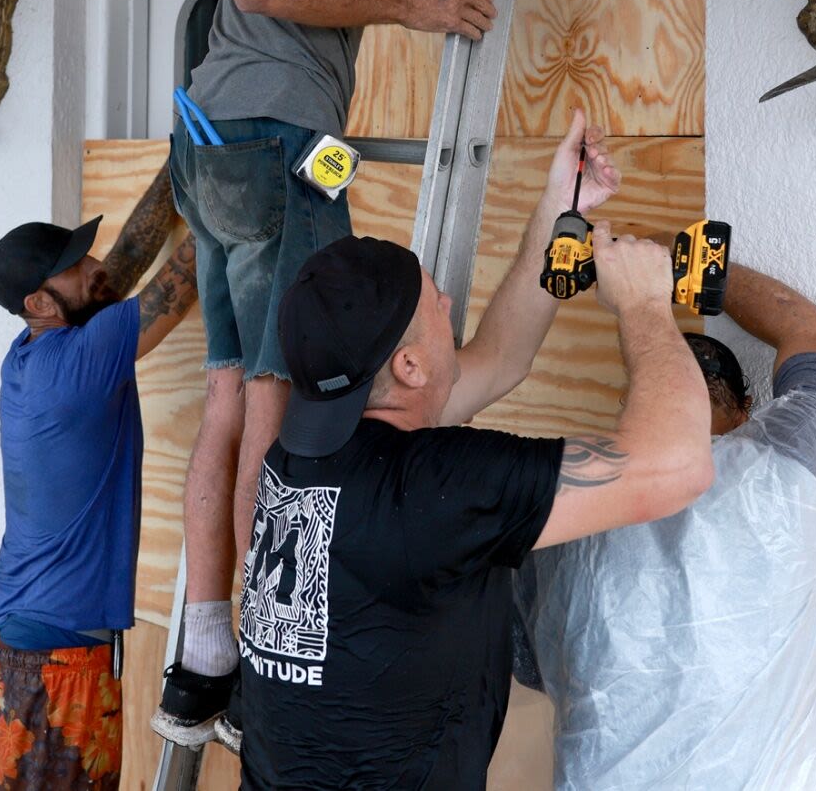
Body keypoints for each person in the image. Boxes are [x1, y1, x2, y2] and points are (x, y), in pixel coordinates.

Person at [158, 0, 664, 741]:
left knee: (237, 388)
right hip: (279, 136)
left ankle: (200, 652)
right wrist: (406, 2)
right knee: (283, 401)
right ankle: (252, 655)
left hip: (225, 139)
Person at [230, 110, 716, 789]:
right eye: (436, 301)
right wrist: (643, 305)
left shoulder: (307, 450)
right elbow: (678, 464)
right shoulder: (432, 490)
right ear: (406, 369)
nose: (449, 298)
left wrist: (561, 210)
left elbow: (498, 358)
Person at [513, 259, 816, 790]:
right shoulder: (792, 471)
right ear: (745, 409)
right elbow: (808, 329)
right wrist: (679, 261)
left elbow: (530, 660)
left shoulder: (576, 517)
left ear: (637, 409)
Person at [0, 172, 198, 791]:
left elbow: (118, 267)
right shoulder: (80, 367)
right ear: (40, 303)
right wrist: (250, 166)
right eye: (74, 264)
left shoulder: (33, 350)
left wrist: (180, 167)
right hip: (55, 669)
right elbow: (191, 271)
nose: (94, 264)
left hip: (9, 648)